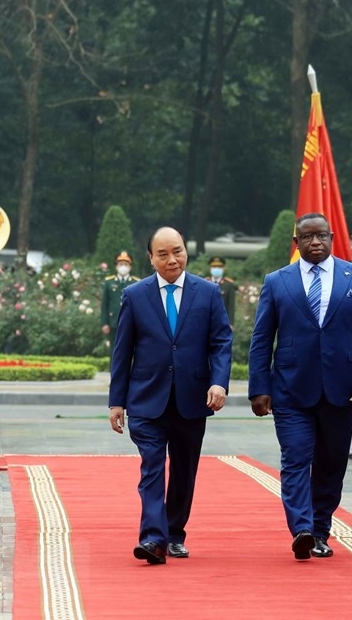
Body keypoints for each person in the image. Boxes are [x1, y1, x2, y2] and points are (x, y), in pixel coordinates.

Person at [248, 213, 352, 560]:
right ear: (297, 243)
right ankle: (302, 528)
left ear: (332, 237)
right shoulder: (278, 281)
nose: (315, 243)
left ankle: (321, 527)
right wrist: (258, 387)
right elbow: (262, 339)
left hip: (343, 389)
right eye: (307, 238)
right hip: (291, 389)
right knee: (295, 458)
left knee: (331, 462)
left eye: (321, 236)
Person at [108, 227, 232, 565]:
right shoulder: (135, 295)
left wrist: (219, 382)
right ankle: (153, 538)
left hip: (193, 399)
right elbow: (122, 352)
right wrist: (116, 401)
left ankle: (174, 533)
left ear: (186, 252)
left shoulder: (207, 293)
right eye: (162, 254)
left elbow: (221, 342)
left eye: (176, 251)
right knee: (151, 468)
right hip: (147, 399)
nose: (171, 259)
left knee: (183, 470)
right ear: (151, 258)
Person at [100, 251, 140, 356]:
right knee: (114, 350)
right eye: (121, 264)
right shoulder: (109, 282)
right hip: (113, 322)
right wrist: (104, 323)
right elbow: (105, 304)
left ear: (130, 267)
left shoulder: (135, 282)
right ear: (116, 266)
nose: (123, 267)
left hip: (131, 322)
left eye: (126, 264)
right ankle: (114, 372)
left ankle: (128, 372)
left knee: (129, 350)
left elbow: (139, 306)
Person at [205, 256, 236, 326]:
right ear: (210, 268)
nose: (217, 269)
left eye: (219, 267)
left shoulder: (229, 285)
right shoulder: (204, 283)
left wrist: (231, 324)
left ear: (223, 268)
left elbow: (231, 306)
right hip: (206, 321)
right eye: (214, 266)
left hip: (222, 322)